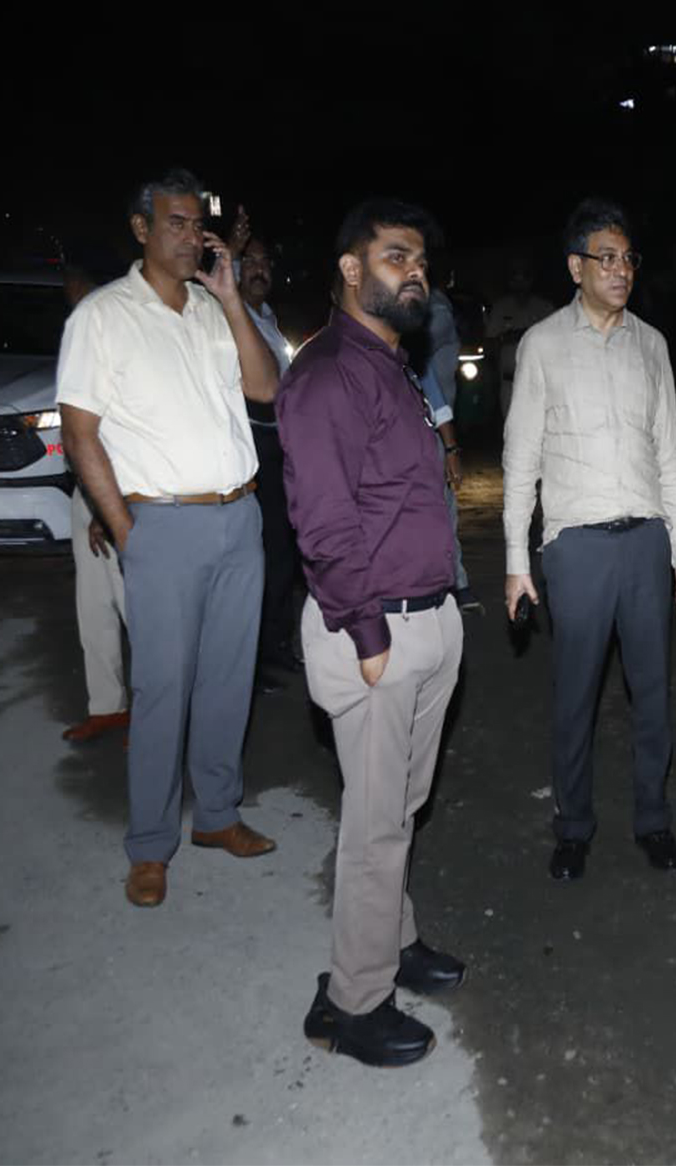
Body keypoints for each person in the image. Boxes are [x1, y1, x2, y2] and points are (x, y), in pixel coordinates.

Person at [56, 167, 279, 908]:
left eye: (196, 224)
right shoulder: (103, 316)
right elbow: (80, 434)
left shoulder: (214, 309)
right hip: (163, 525)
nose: (190, 237)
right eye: (175, 223)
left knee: (227, 681)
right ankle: (150, 846)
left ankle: (217, 815)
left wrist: (233, 301)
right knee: (161, 690)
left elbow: (266, 389)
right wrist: (128, 531)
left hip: (239, 516)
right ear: (141, 229)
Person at [280, 199, 467, 1068]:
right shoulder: (327, 375)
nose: (414, 271)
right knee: (375, 826)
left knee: (398, 809)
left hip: (424, 619)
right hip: (375, 633)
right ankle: (352, 1004)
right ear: (352, 270)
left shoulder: (393, 367)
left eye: (420, 259)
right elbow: (323, 524)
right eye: (396, 256)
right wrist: (366, 634)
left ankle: (393, 940)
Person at [503, 198, 676, 881]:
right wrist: (516, 561)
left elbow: (670, 454)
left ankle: (653, 818)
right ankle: (573, 827)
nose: (621, 271)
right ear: (576, 267)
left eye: (628, 259)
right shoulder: (542, 345)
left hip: (646, 542)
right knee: (576, 696)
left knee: (652, 693)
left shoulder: (652, 345)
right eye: (607, 258)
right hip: (577, 548)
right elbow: (521, 460)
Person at [59, 246, 129, 744]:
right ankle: (107, 706)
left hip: (117, 490)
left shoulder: (112, 327)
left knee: (133, 605)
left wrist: (107, 507)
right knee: (94, 603)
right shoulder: (79, 328)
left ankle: (155, 714)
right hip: (85, 489)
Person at [233, 230, 304, 687]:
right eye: (250, 262)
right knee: (258, 559)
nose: (260, 270)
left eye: (265, 263)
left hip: (279, 447)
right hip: (251, 449)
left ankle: (277, 645)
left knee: (282, 553)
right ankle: (253, 660)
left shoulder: (268, 318)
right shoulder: (227, 315)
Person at [408, 287, 479, 610]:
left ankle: (453, 583)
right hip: (394, 441)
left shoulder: (433, 311)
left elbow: (430, 385)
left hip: (428, 433)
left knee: (441, 509)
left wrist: (451, 447)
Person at [486, 259, 553, 419]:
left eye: (524, 276)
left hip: (540, 383)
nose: (520, 282)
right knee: (512, 430)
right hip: (510, 383)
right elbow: (489, 344)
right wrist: (508, 337)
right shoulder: (500, 308)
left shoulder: (545, 308)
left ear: (531, 280)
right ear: (509, 281)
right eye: (515, 277)